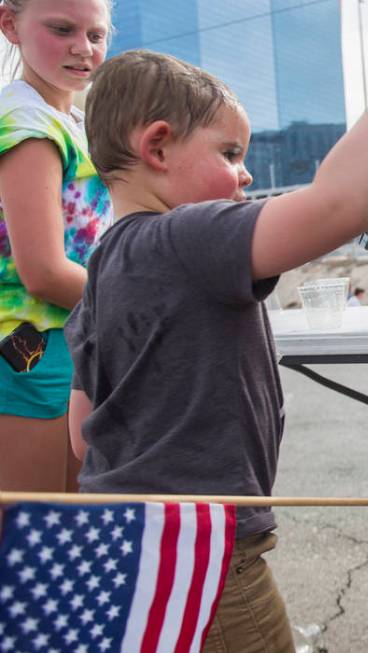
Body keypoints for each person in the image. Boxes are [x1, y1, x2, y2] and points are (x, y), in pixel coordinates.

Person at [65, 46, 368, 651]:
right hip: (208, 555)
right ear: (157, 147)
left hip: (128, 544)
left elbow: (82, 433)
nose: (246, 174)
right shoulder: (189, 236)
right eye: (229, 154)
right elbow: (339, 205)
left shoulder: (102, 269)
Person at [0, 0, 112, 496]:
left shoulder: (78, 122)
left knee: (66, 530)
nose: (82, 48)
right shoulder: (27, 125)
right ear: (10, 24)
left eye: (96, 35)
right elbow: (43, 271)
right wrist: (144, 302)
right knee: (33, 542)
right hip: (29, 357)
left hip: (71, 348)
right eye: (62, 29)